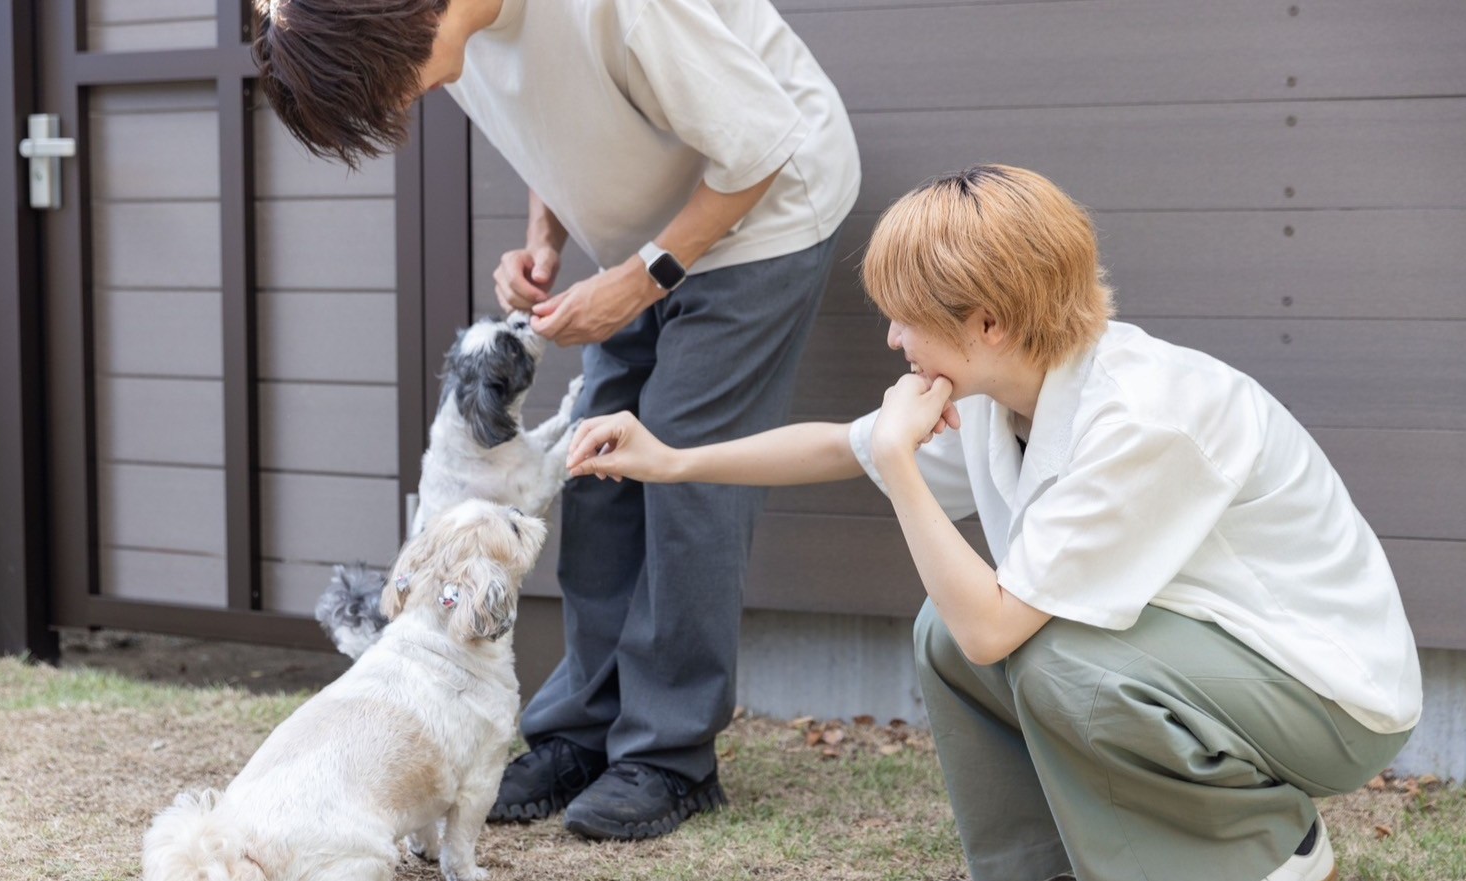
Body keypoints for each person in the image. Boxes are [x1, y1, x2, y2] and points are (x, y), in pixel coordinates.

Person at [562, 165, 1422, 881]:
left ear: (988, 322)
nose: (895, 339)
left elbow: (994, 629)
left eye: (907, 318)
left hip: (1327, 695)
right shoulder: (997, 388)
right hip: (1214, 660)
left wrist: (903, 469)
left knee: (1054, 657)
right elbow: (838, 445)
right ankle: (1035, 866)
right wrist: (668, 457)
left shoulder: (1142, 419)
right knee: (949, 629)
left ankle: (1270, 849)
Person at [252, 0, 860, 840]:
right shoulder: (439, 35)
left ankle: (668, 754)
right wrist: (544, 240)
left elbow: (760, 144)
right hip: (642, 236)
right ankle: (582, 730)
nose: (398, 108)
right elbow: (553, 121)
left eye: (387, 91)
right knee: (595, 465)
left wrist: (639, 280)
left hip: (767, 212)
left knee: (683, 472)